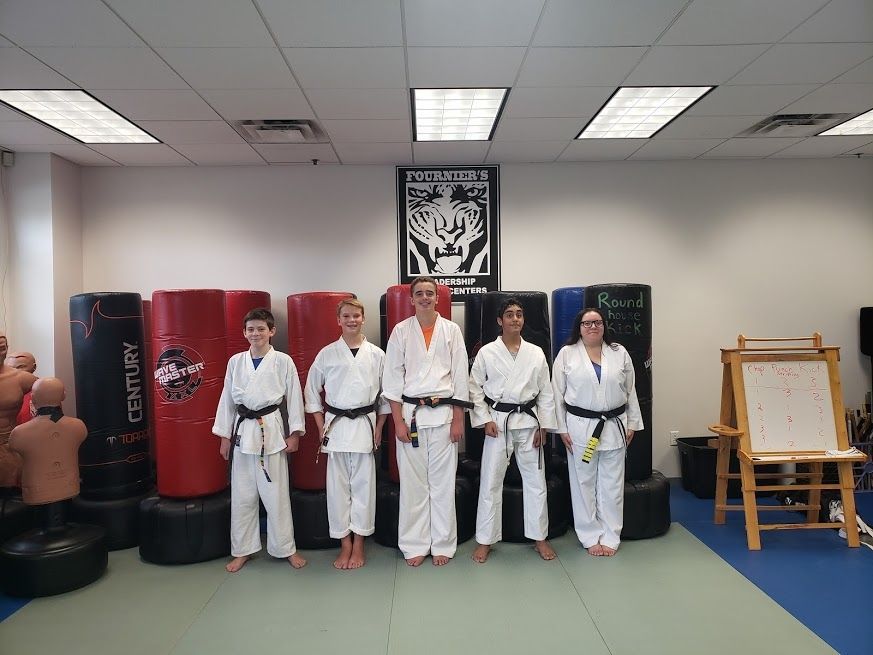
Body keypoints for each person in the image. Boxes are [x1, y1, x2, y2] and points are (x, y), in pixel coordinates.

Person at [382, 276, 470, 566]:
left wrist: (459, 420)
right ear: (411, 299)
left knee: (443, 484)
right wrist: (397, 422)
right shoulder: (400, 331)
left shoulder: (451, 330)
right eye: (419, 293)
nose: (424, 298)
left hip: (444, 416)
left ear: (437, 298)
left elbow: (459, 377)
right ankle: (414, 543)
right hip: (412, 416)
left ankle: (444, 543)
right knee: (413, 484)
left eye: (429, 293)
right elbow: (392, 380)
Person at [212, 308, 306, 572]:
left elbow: (295, 398)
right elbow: (227, 401)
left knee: (276, 495)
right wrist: (224, 437)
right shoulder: (235, 362)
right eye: (251, 329)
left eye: (261, 329)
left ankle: (286, 548)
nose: (256, 334)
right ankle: (243, 550)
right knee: (242, 496)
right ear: (244, 332)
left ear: (272, 331)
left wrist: (295, 433)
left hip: (271, 434)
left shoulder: (283, 361)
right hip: (243, 434)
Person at [469, 298, 558, 563]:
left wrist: (544, 425)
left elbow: (546, 391)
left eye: (519, 315)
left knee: (536, 482)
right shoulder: (487, 352)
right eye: (509, 315)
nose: (515, 319)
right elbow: (474, 387)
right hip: (499, 420)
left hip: (530, 422)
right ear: (500, 320)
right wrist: (484, 419)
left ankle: (540, 538)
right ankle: (485, 540)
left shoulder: (536, 352)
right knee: (490, 481)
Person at [304, 298, 389, 570]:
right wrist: (320, 427)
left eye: (356, 316)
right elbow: (311, 393)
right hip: (336, 426)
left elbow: (386, 396)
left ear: (363, 318)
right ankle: (345, 544)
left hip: (365, 424)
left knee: (364, 487)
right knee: (338, 489)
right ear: (338, 320)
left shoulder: (376, 354)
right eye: (347, 316)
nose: (352, 320)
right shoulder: (327, 354)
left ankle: (360, 543)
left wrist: (379, 428)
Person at [552, 308, 642, 556]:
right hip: (581, 428)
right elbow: (556, 395)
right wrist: (561, 429)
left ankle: (611, 535)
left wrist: (633, 422)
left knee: (612, 484)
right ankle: (590, 535)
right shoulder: (567, 354)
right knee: (583, 483)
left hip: (615, 425)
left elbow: (631, 389)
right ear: (578, 327)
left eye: (597, 322)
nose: (593, 327)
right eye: (587, 323)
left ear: (604, 326)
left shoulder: (618, 352)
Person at [10, 377, 86, 505]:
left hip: (37, 490)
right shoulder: (79, 426)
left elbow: (13, 448)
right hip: (70, 485)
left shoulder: (19, 433)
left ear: (32, 398)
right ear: (64, 396)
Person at [0, 334, 38, 488]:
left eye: (2, 348)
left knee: (11, 494)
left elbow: (53, 395)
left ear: (7, 349)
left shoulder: (20, 378)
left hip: (9, 444)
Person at [5, 351, 37, 426]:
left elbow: (55, 419)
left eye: (21, 367)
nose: (15, 372)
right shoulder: (3, 389)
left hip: (36, 434)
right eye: (10, 368)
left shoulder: (45, 389)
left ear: (34, 367)